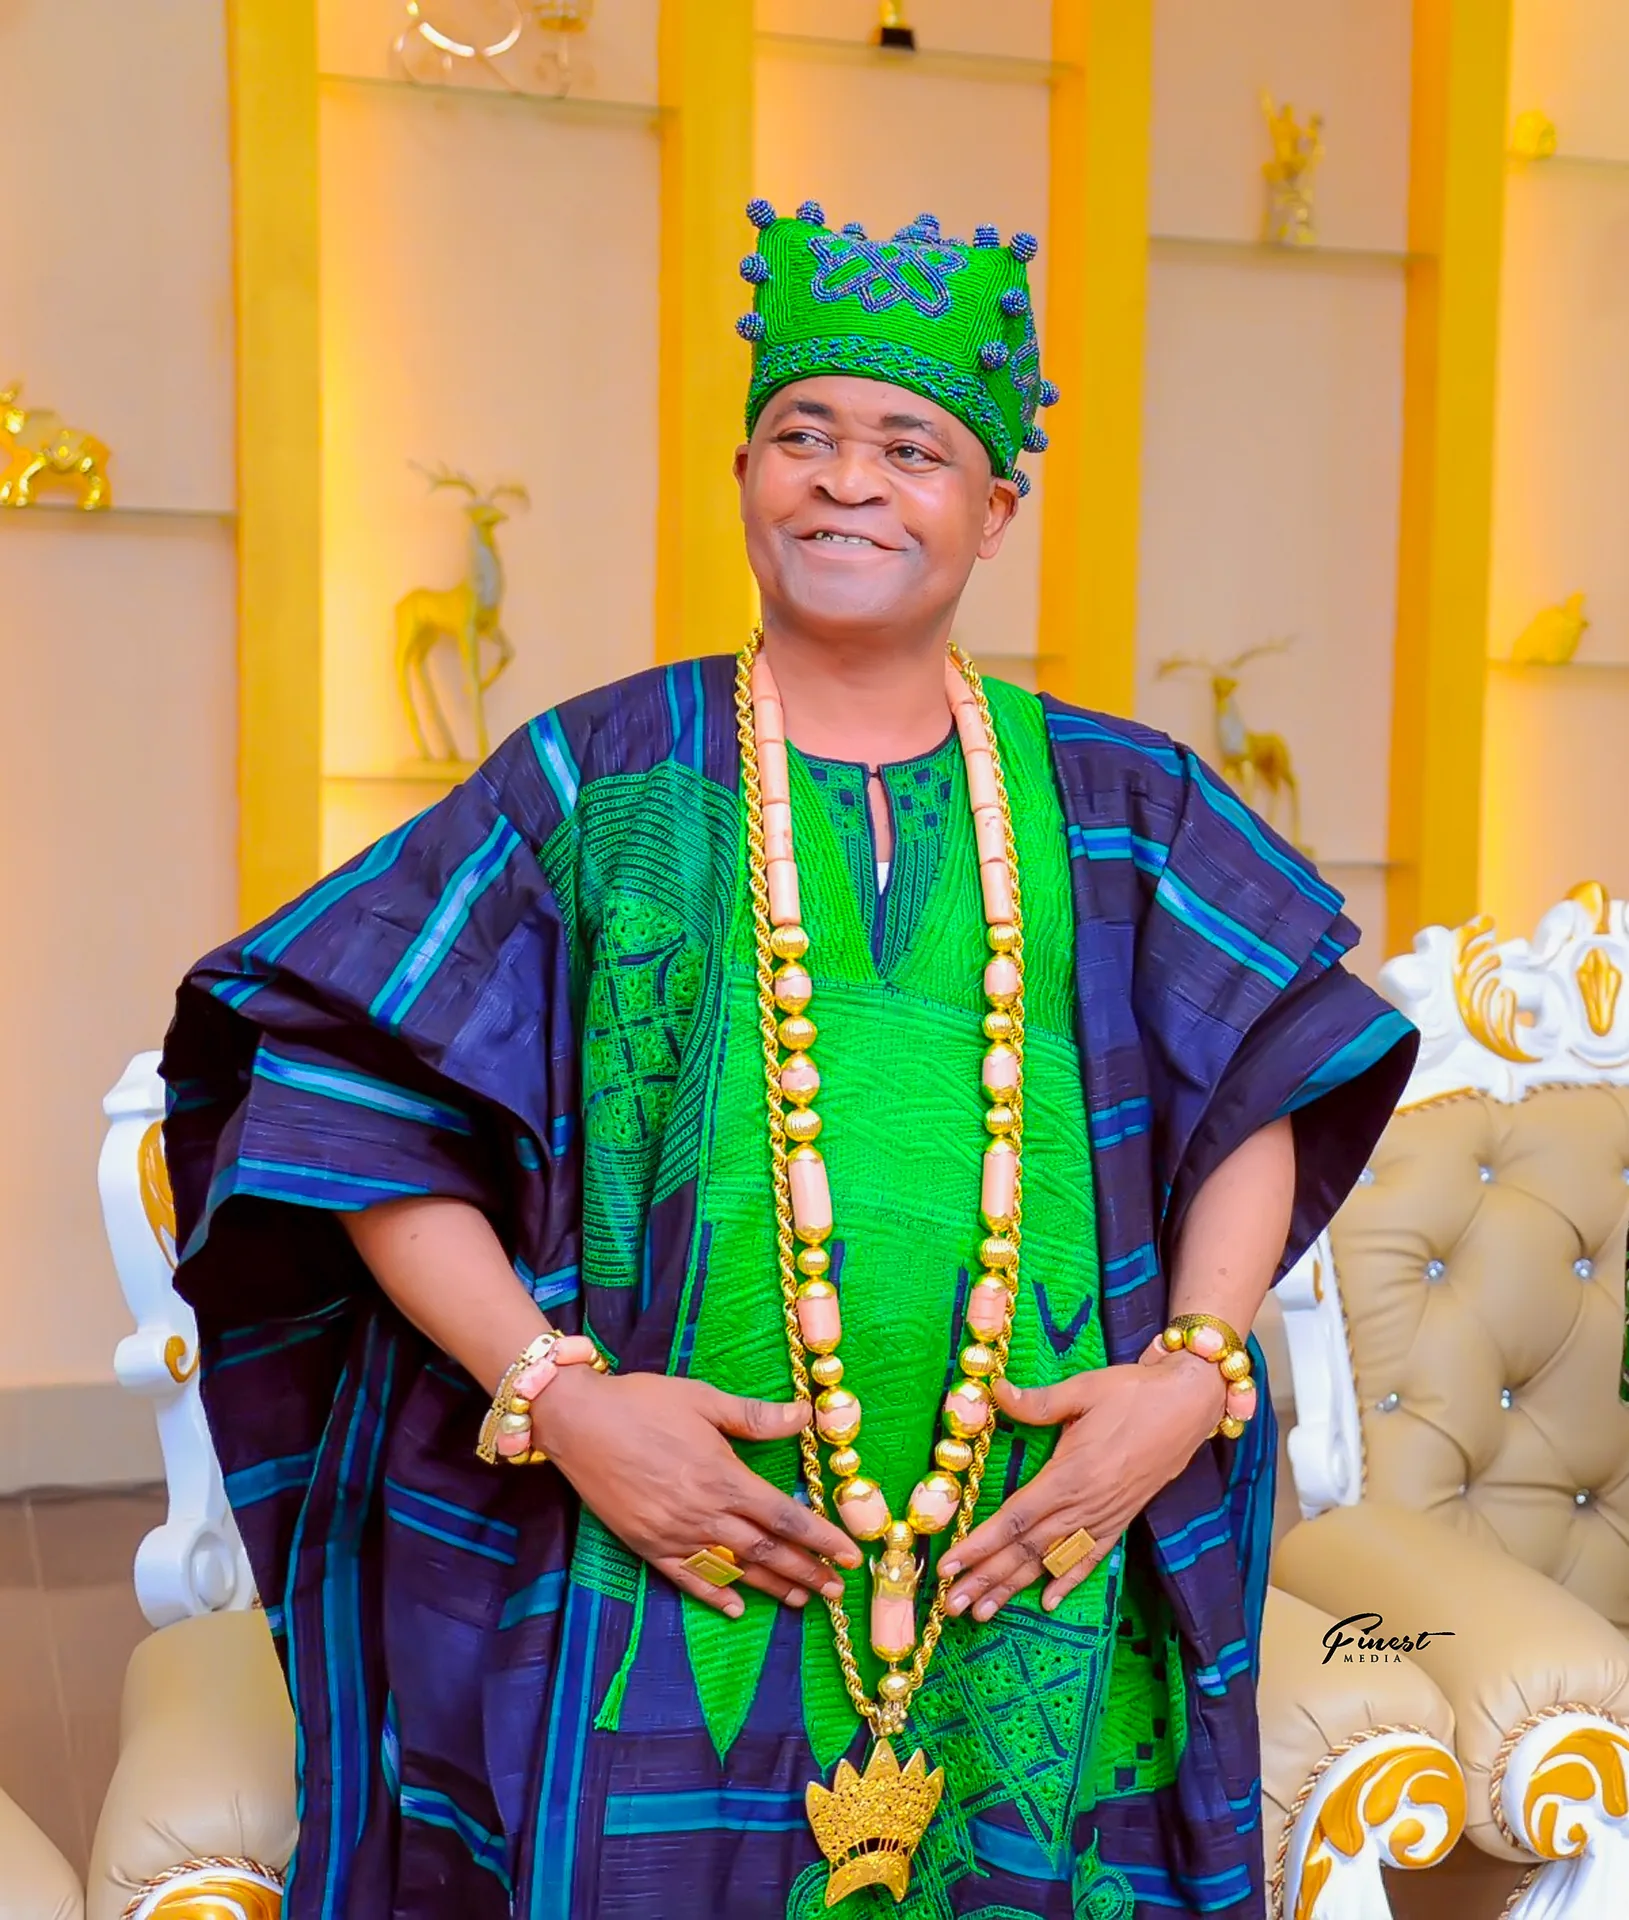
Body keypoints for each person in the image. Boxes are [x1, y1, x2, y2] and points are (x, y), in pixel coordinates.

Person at [162, 200, 1417, 1919]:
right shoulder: (598, 786)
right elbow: (351, 1102)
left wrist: (1187, 1381)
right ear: (742, 471)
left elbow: (1260, 1072)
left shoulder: (1125, 803)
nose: (849, 480)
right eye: (803, 434)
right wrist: (567, 1405)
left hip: (1040, 1547)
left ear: (993, 513)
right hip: (658, 1553)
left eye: (911, 447)